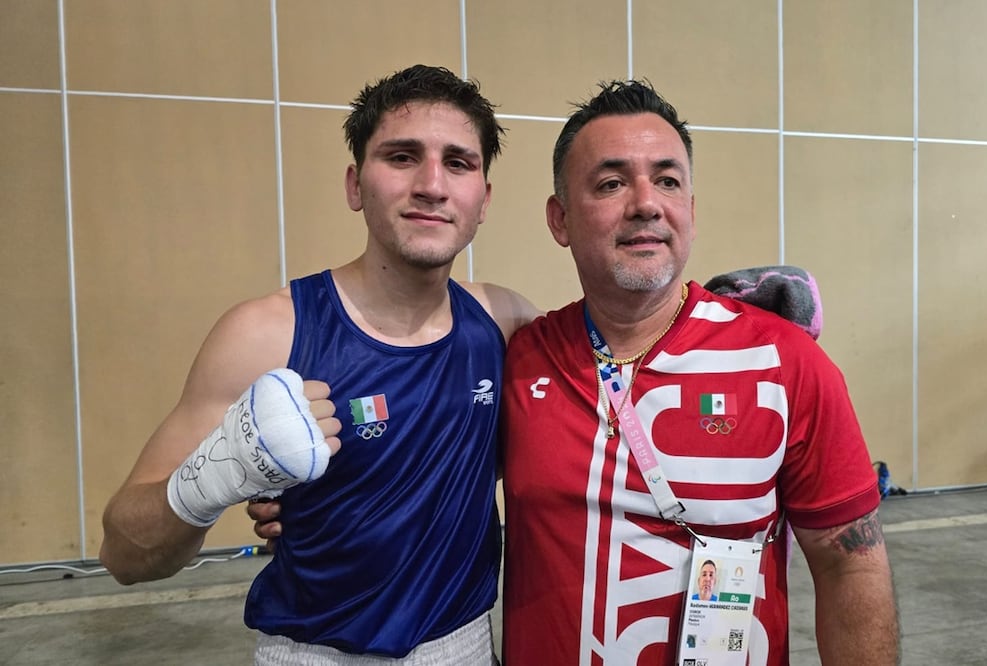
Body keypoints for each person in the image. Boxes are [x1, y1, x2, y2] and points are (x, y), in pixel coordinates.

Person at [99, 64, 538, 665]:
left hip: (463, 645)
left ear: (483, 200)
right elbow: (123, 555)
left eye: (458, 163)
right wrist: (218, 474)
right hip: (312, 653)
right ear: (356, 185)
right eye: (403, 156)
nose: (432, 185)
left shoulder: (505, 323)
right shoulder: (267, 333)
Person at [499, 80, 900, 665]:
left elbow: (850, 564)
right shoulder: (519, 359)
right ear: (560, 220)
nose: (646, 202)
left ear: (690, 207)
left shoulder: (786, 363)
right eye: (611, 183)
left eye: (667, 180)